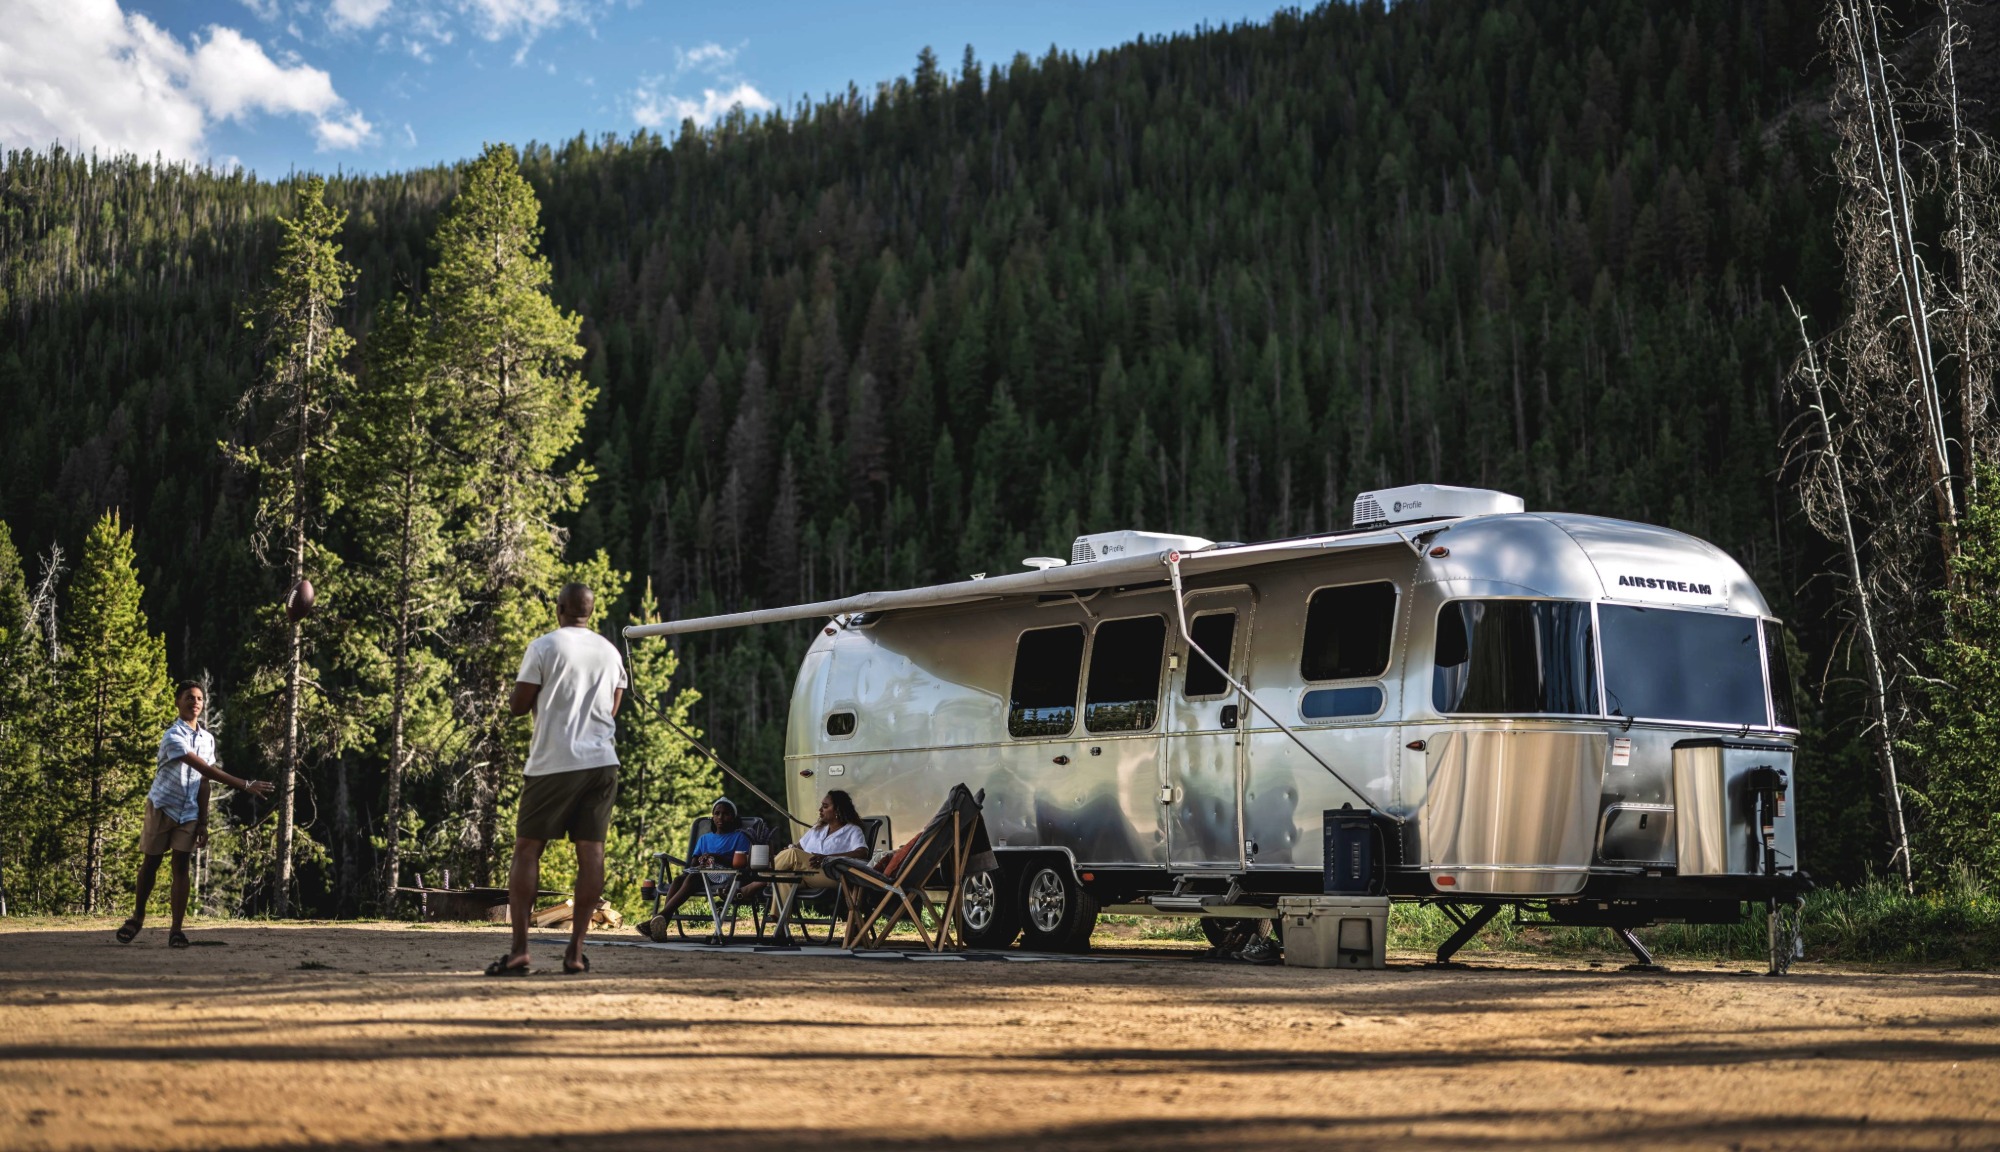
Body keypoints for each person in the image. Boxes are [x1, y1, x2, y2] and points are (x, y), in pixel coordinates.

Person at [488, 582, 626, 977]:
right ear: (591, 611)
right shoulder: (610, 653)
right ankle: (575, 952)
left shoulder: (544, 647)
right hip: (601, 763)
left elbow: (518, 706)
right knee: (592, 853)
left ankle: (519, 951)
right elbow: (612, 711)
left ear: (559, 608)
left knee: (528, 848)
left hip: (554, 761)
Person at [116, 681, 274, 947]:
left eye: (200, 698)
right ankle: (137, 918)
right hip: (162, 806)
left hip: (189, 811)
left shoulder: (207, 739)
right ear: (178, 702)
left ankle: (176, 930)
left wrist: (203, 820)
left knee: (181, 866)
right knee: (151, 863)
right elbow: (205, 769)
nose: (195, 702)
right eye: (189, 697)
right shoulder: (172, 736)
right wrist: (245, 784)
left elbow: (204, 782)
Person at [640, 798, 754, 940]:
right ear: (713, 816)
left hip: (727, 873)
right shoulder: (704, 839)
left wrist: (716, 857)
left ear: (733, 817)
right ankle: (662, 923)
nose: (720, 817)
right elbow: (693, 862)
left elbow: (741, 863)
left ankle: (660, 918)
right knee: (678, 880)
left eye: (726, 814)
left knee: (694, 877)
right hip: (703, 871)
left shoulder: (739, 837)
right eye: (717, 813)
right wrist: (701, 860)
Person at [763, 790, 870, 937]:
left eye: (825, 806)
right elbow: (797, 848)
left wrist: (826, 857)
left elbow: (862, 853)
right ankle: (781, 928)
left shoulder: (852, 830)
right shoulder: (817, 829)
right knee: (785, 876)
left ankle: (758, 879)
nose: (820, 810)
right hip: (807, 874)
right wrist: (788, 851)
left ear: (838, 809)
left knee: (792, 854)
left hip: (831, 874)